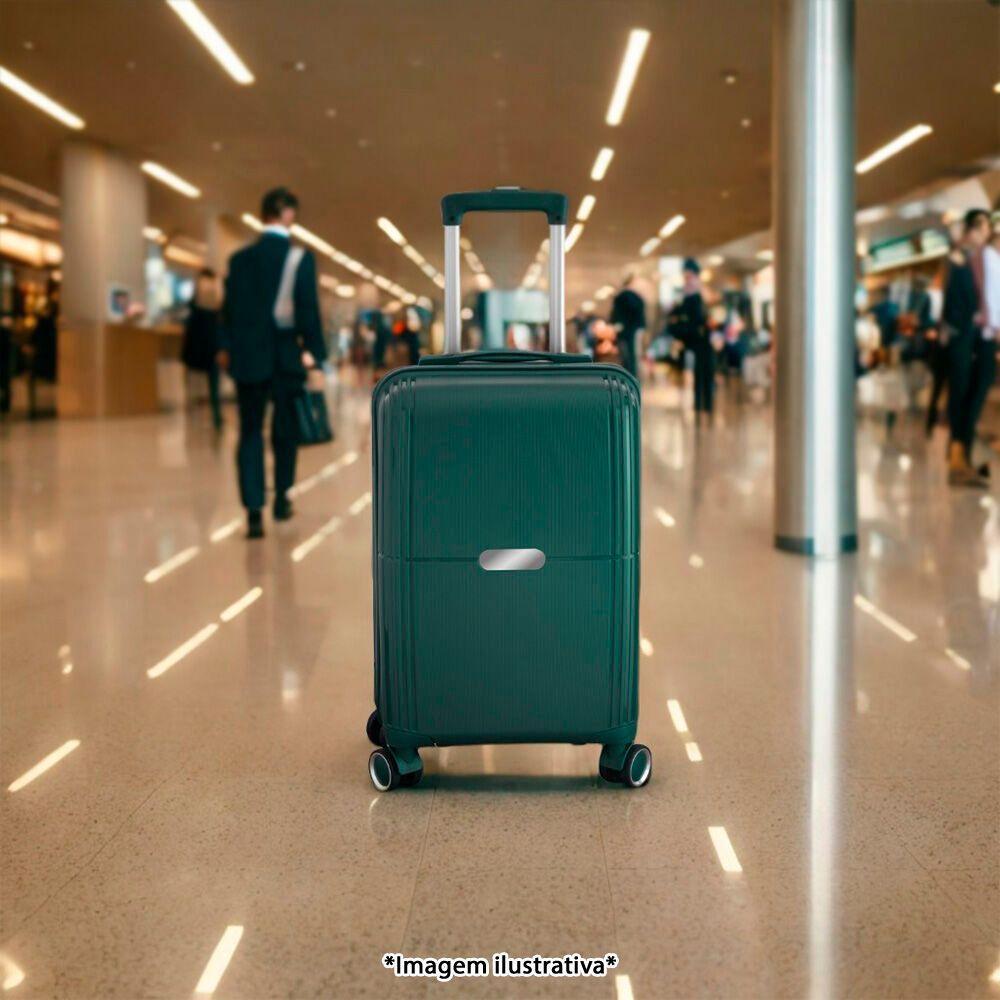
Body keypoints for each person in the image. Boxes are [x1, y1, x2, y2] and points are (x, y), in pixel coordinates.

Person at [218, 187, 327, 538]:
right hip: (285, 359)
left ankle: (253, 512)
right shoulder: (299, 258)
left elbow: (228, 312)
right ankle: (281, 498)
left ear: (262, 215)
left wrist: (227, 348)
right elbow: (308, 312)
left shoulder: (239, 261)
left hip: (249, 359)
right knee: (285, 432)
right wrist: (317, 354)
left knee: (250, 432)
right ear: (288, 214)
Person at [943, 208, 994, 487]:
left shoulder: (980, 258)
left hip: (976, 336)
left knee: (974, 391)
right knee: (962, 395)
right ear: (972, 229)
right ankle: (958, 458)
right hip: (964, 337)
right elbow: (955, 301)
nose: (987, 234)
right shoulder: (960, 257)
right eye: (984, 228)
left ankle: (961, 456)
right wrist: (971, 320)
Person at [668, 258, 713, 417]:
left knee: (704, 372)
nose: (687, 278)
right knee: (694, 372)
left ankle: (705, 405)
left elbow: (705, 318)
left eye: (689, 275)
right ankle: (699, 404)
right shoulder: (685, 295)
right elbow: (675, 316)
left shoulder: (701, 294)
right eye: (685, 275)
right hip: (690, 339)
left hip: (702, 340)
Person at [181, 268, 222, 430]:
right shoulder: (216, 301)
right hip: (211, 346)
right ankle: (216, 416)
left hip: (197, 346)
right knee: (213, 385)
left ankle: (194, 414)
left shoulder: (196, 302)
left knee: (194, 383)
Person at [610, 274, 646, 377]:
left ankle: (630, 377)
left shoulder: (625, 296)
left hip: (628, 330)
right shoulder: (628, 296)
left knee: (629, 356)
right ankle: (632, 378)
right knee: (631, 356)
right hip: (631, 330)